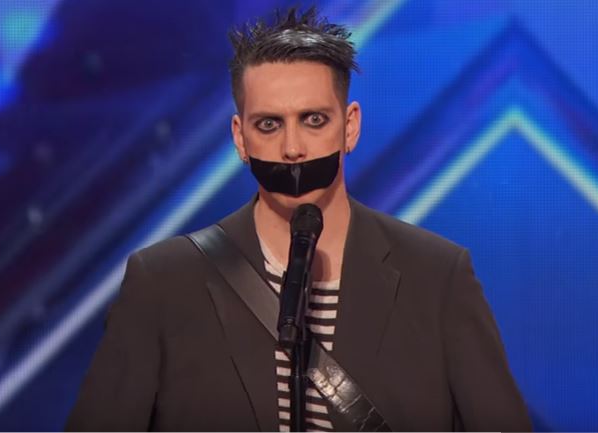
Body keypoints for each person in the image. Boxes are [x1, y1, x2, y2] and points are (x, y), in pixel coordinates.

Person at [66, 7, 531, 432]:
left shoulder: (437, 278)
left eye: (313, 120)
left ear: (350, 126)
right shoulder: (163, 283)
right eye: (269, 124)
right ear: (240, 138)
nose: (292, 149)